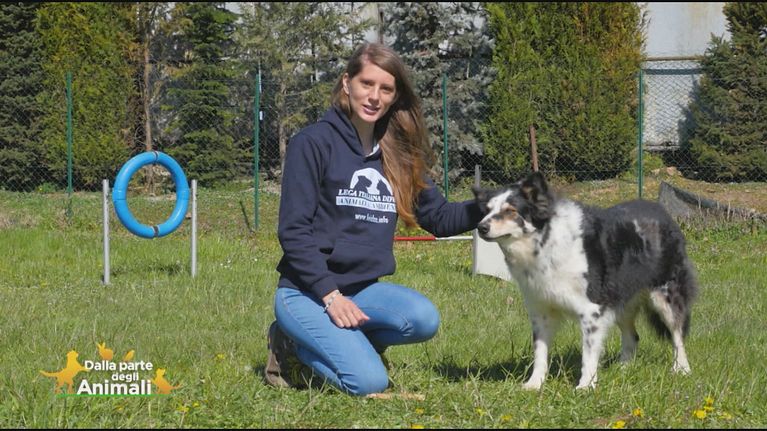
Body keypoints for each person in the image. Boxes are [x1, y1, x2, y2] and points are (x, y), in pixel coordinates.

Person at [264, 42, 481, 396]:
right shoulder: (313, 143)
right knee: (369, 382)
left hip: (363, 291)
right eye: (367, 83)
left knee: (423, 319)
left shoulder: (397, 155)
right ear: (346, 83)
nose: (374, 97)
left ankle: (346, 345)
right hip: (306, 293)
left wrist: (493, 206)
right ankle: (291, 347)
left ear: (395, 97)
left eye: (386, 89)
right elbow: (293, 231)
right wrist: (331, 296)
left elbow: (439, 218)